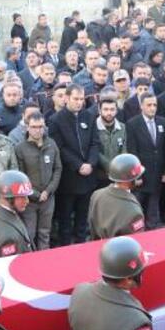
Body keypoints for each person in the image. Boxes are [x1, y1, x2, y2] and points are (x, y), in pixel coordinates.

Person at [49, 84, 100, 245]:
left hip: (88, 177)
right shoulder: (56, 120)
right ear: (67, 98)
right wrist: (79, 165)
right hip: (68, 179)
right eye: (75, 99)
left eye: (81, 99)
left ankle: (81, 245)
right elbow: (60, 148)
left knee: (83, 218)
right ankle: (65, 248)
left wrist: (91, 163)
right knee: (65, 219)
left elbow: (95, 143)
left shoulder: (89, 116)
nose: (79, 102)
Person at [14, 112, 62, 250]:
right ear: (27, 127)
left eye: (41, 126)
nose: (38, 130)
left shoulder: (51, 144)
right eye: (34, 127)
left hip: (48, 198)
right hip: (29, 200)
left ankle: (44, 262)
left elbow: (58, 169)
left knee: (45, 233)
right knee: (29, 233)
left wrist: (48, 191)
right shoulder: (20, 148)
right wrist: (34, 193)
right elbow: (20, 175)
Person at [126, 92, 165, 228]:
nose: (152, 108)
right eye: (149, 105)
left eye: (154, 105)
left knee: (153, 209)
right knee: (137, 209)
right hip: (141, 176)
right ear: (141, 106)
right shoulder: (133, 124)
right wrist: (136, 175)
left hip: (157, 174)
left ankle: (153, 231)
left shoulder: (162, 122)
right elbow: (132, 151)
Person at [88, 153, 145, 239]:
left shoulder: (96, 195)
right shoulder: (134, 211)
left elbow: (92, 228)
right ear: (131, 180)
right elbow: (135, 243)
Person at [0, 170, 34, 258]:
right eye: (22, 197)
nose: (27, 201)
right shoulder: (7, 238)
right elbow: (12, 267)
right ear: (9, 198)